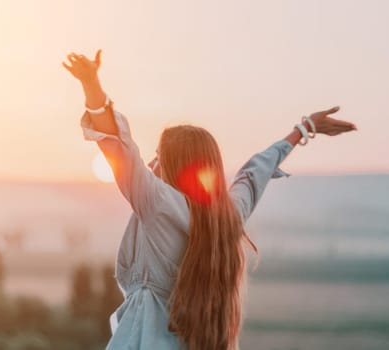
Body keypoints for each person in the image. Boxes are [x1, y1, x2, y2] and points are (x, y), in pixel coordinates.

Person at [62, 49, 357, 350]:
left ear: (172, 164)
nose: (153, 162)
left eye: (159, 155)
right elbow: (254, 174)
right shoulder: (227, 216)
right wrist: (303, 129)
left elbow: (119, 150)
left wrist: (91, 86)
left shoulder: (158, 203)